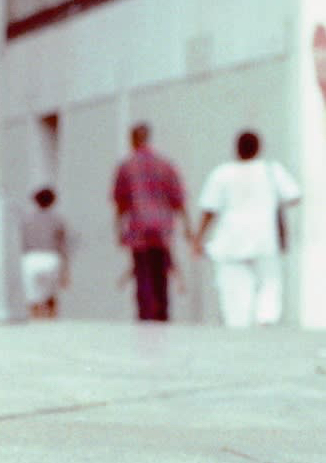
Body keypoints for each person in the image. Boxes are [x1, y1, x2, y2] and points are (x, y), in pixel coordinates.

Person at [193, 130, 301, 328]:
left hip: (231, 240)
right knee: (269, 282)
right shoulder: (271, 171)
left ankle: (239, 324)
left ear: (236, 148)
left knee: (233, 289)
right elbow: (294, 196)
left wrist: (199, 238)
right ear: (259, 148)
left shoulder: (222, 173)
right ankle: (265, 320)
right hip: (265, 238)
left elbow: (209, 209)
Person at [111, 123, 193, 322]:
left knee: (143, 275)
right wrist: (187, 228)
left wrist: (118, 229)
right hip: (162, 228)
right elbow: (178, 198)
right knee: (161, 275)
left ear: (132, 139)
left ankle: (146, 318)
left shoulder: (126, 166)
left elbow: (120, 201)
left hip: (139, 228)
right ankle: (162, 317)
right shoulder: (165, 165)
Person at [20, 187, 69, 319]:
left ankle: (35, 320)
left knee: (33, 297)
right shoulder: (58, 220)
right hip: (51, 258)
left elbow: (21, 243)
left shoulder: (26, 220)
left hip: (30, 259)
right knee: (51, 295)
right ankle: (51, 319)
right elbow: (62, 246)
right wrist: (65, 272)